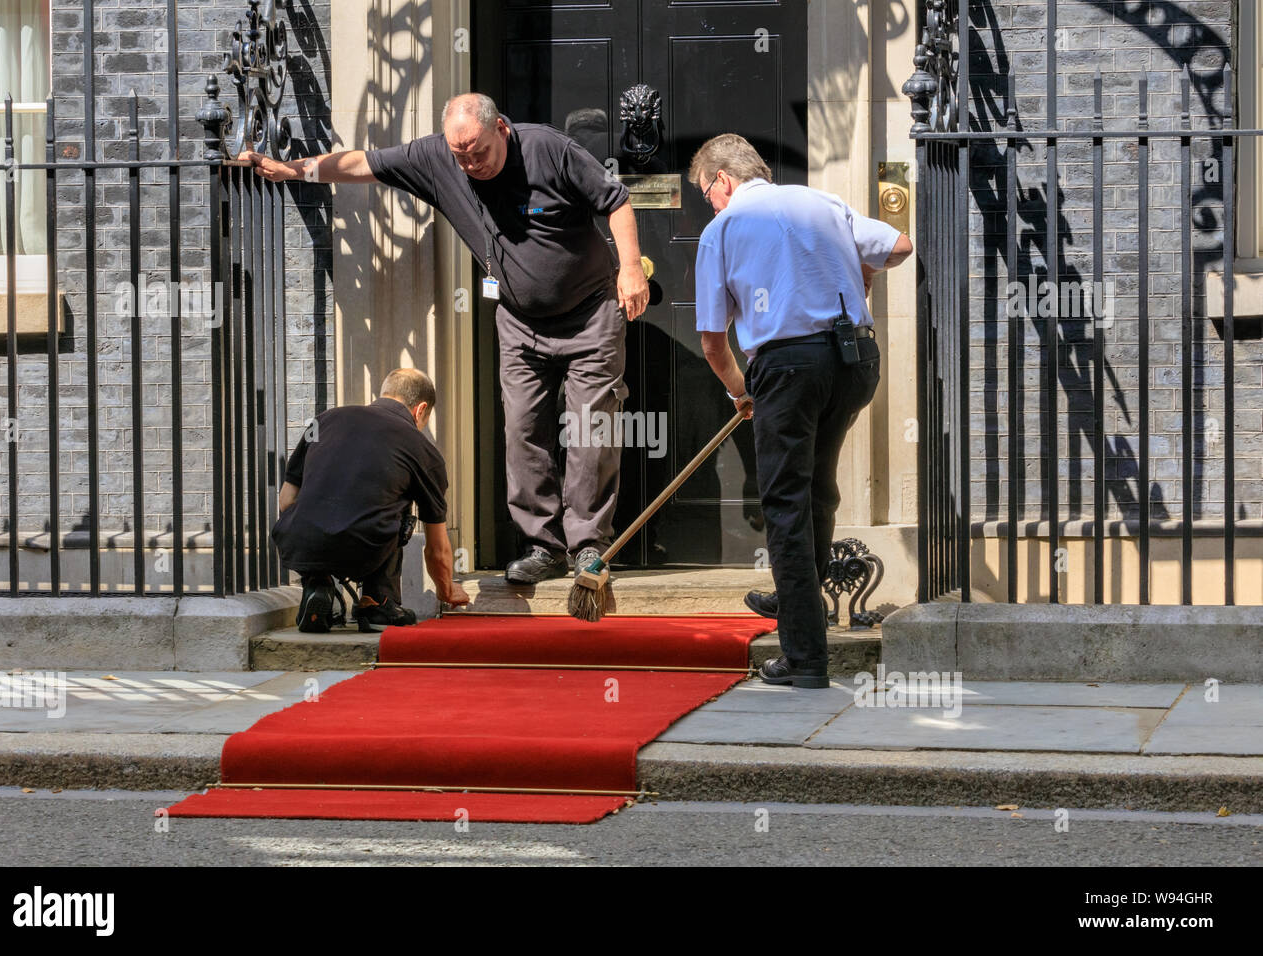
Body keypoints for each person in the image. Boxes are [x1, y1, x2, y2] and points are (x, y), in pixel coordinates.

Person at [240, 92, 650, 586]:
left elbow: (617, 200)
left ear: (501, 127)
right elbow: (361, 163)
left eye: (479, 151)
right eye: (461, 155)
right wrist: (292, 170)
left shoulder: (548, 149)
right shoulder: (437, 158)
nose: (471, 164)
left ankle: (588, 546)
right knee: (522, 431)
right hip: (520, 321)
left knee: (589, 430)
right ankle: (543, 546)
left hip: (591, 314)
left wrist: (630, 268)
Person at [690, 133, 913, 688]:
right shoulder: (822, 202)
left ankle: (805, 659)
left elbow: (713, 342)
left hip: (788, 368)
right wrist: (860, 278)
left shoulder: (723, 229)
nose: (709, 204)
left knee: (786, 504)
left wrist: (742, 393)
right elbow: (900, 245)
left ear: (723, 179)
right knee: (816, 489)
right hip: (855, 362)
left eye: (706, 193)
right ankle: (797, 595)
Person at [273, 368, 470, 633]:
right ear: (420, 409)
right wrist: (446, 589)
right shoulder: (422, 450)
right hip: (364, 544)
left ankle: (318, 584)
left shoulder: (324, 420)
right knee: (395, 509)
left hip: (300, 541)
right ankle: (378, 601)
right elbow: (437, 547)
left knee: (331, 504)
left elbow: (286, 500)